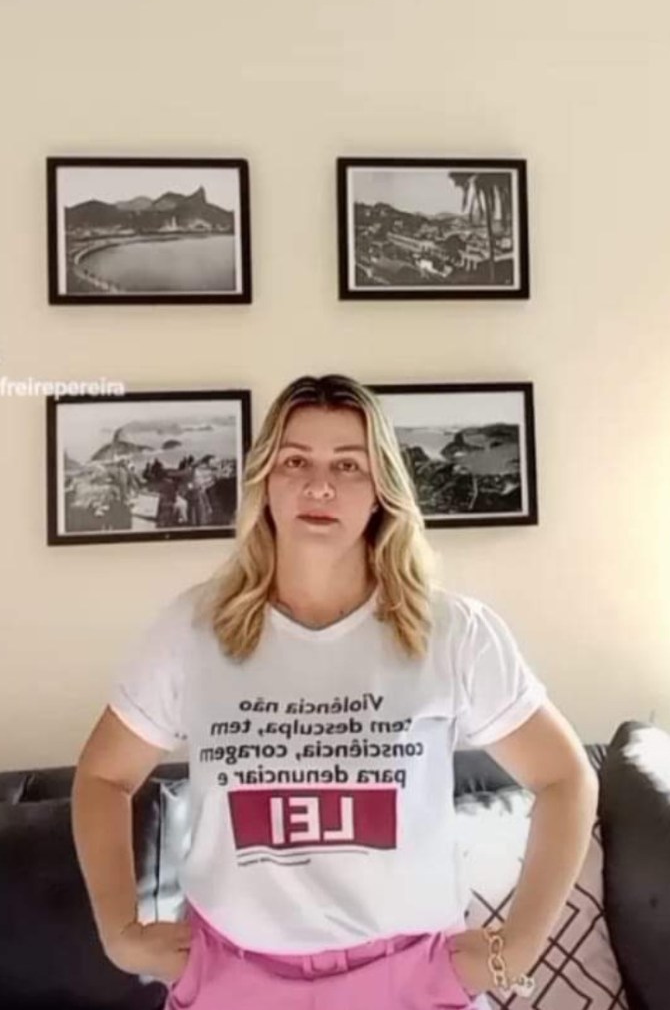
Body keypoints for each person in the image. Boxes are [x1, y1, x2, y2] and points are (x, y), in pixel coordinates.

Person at [71, 374, 599, 1010]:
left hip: (410, 980)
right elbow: (103, 776)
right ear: (266, 481)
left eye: (348, 465)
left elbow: (566, 778)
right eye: (295, 461)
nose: (319, 486)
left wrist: (517, 947)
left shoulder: (453, 631)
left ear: (381, 490)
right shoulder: (194, 629)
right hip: (233, 980)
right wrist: (121, 934)